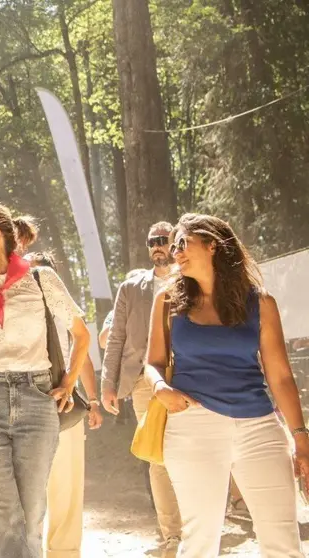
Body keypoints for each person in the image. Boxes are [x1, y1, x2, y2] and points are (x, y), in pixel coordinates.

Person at [145, 213, 308, 557]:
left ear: (212, 245)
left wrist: (300, 437)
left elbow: (279, 376)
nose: (175, 252)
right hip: (193, 425)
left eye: (183, 243)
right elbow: (153, 362)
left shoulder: (261, 303)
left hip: (260, 427)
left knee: (284, 542)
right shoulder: (167, 301)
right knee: (200, 541)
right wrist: (160, 388)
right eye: (173, 246)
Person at [0, 203, 91, 558]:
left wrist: (69, 382)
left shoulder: (42, 280)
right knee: (5, 516)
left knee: (33, 513)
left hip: (37, 400)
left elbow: (81, 335)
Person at [101, 221, 182, 557]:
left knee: (193, 452)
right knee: (158, 457)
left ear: (176, 242)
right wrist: (108, 384)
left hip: (191, 377)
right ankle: (172, 536)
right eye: (152, 242)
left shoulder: (192, 281)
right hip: (144, 381)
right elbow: (115, 337)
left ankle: (200, 526)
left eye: (164, 240)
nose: (158, 246)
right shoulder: (131, 286)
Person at [25, 251, 103, 558]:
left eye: (42, 273)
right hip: (25, 405)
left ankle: (64, 553)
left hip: (63, 405)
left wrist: (92, 399)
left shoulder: (62, 310)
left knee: (66, 489)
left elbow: (79, 353)